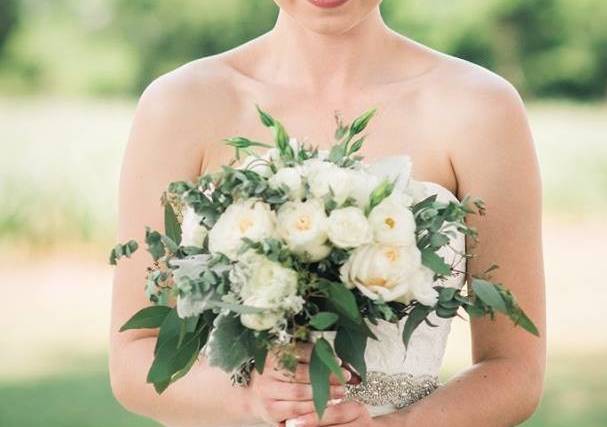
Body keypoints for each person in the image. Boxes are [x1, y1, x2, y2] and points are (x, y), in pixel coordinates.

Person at [110, 1, 546, 426]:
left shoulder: (481, 107)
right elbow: (134, 357)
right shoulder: (180, 104)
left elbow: (514, 368)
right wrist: (247, 400)